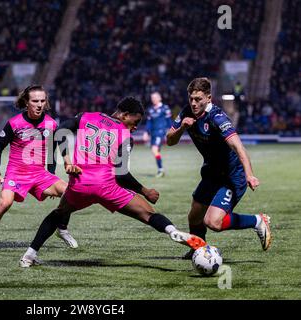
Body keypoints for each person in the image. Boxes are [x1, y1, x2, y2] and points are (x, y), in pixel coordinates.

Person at [19, 96, 207, 267]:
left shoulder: (86, 117)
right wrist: (145, 190)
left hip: (80, 184)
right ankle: (172, 230)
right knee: (148, 214)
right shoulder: (126, 137)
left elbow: (59, 131)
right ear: (125, 115)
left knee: (58, 214)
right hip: (107, 187)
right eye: (136, 122)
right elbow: (121, 175)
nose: (135, 127)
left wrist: (67, 160)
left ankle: (29, 255)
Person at [166, 77, 272, 259]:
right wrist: (182, 127)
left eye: (198, 99)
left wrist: (250, 175)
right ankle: (198, 249)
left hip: (232, 175)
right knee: (194, 217)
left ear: (209, 98)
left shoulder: (217, 117)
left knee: (212, 222)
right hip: (211, 172)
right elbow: (169, 140)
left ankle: (257, 221)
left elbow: (238, 147)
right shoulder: (186, 113)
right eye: (191, 98)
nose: (193, 103)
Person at [0, 85, 78, 253]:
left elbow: (57, 145)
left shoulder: (50, 123)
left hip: (39, 174)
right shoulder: (14, 123)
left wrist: (61, 167)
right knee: (4, 203)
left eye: (42, 101)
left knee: (70, 192)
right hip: (16, 174)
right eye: (35, 101)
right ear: (26, 103)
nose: (39, 104)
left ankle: (62, 229)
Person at [144, 92, 172, 177]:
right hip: (153, 133)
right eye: (152, 98)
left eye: (155, 97)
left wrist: (171, 130)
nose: (153, 99)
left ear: (160, 98)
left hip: (160, 132)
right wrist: (146, 132)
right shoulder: (150, 109)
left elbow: (169, 120)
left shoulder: (165, 108)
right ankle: (160, 170)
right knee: (156, 152)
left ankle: (160, 170)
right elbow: (149, 122)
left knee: (154, 150)